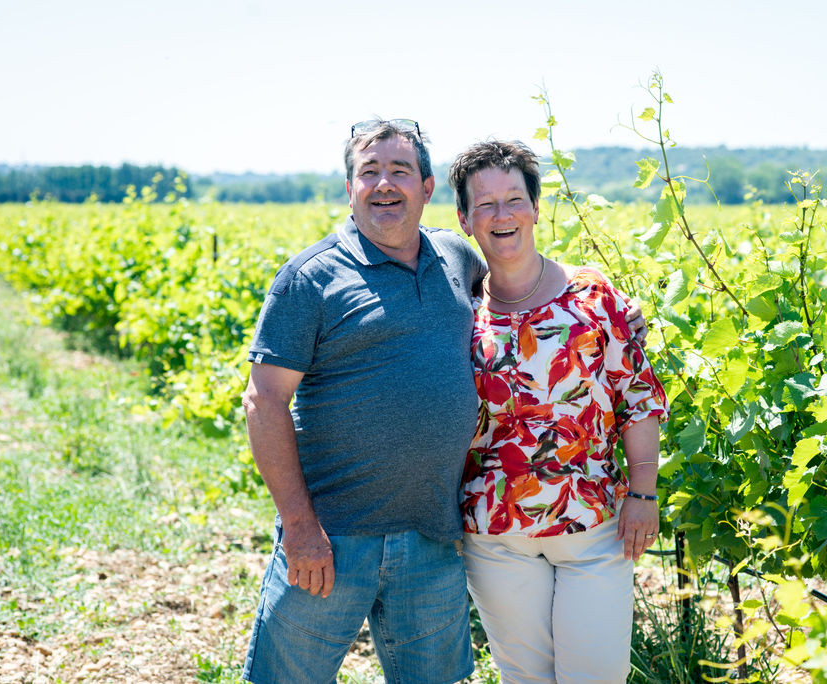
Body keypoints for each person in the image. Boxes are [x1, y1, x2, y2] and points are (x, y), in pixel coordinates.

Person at [240, 119, 484, 683]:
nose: (384, 184)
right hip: (332, 539)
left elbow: (521, 280)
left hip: (432, 534)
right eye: (368, 172)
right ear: (349, 188)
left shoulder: (455, 257)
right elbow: (264, 401)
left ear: (427, 188)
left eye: (400, 170)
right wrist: (299, 527)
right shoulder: (310, 278)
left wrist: (589, 281)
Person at [448, 140, 669, 684]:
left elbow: (637, 396)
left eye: (514, 199)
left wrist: (643, 493)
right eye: (486, 205)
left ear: (536, 207)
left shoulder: (593, 298)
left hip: (595, 528)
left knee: (596, 675)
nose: (503, 216)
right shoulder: (458, 313)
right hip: (496, 532)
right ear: (464, 219)